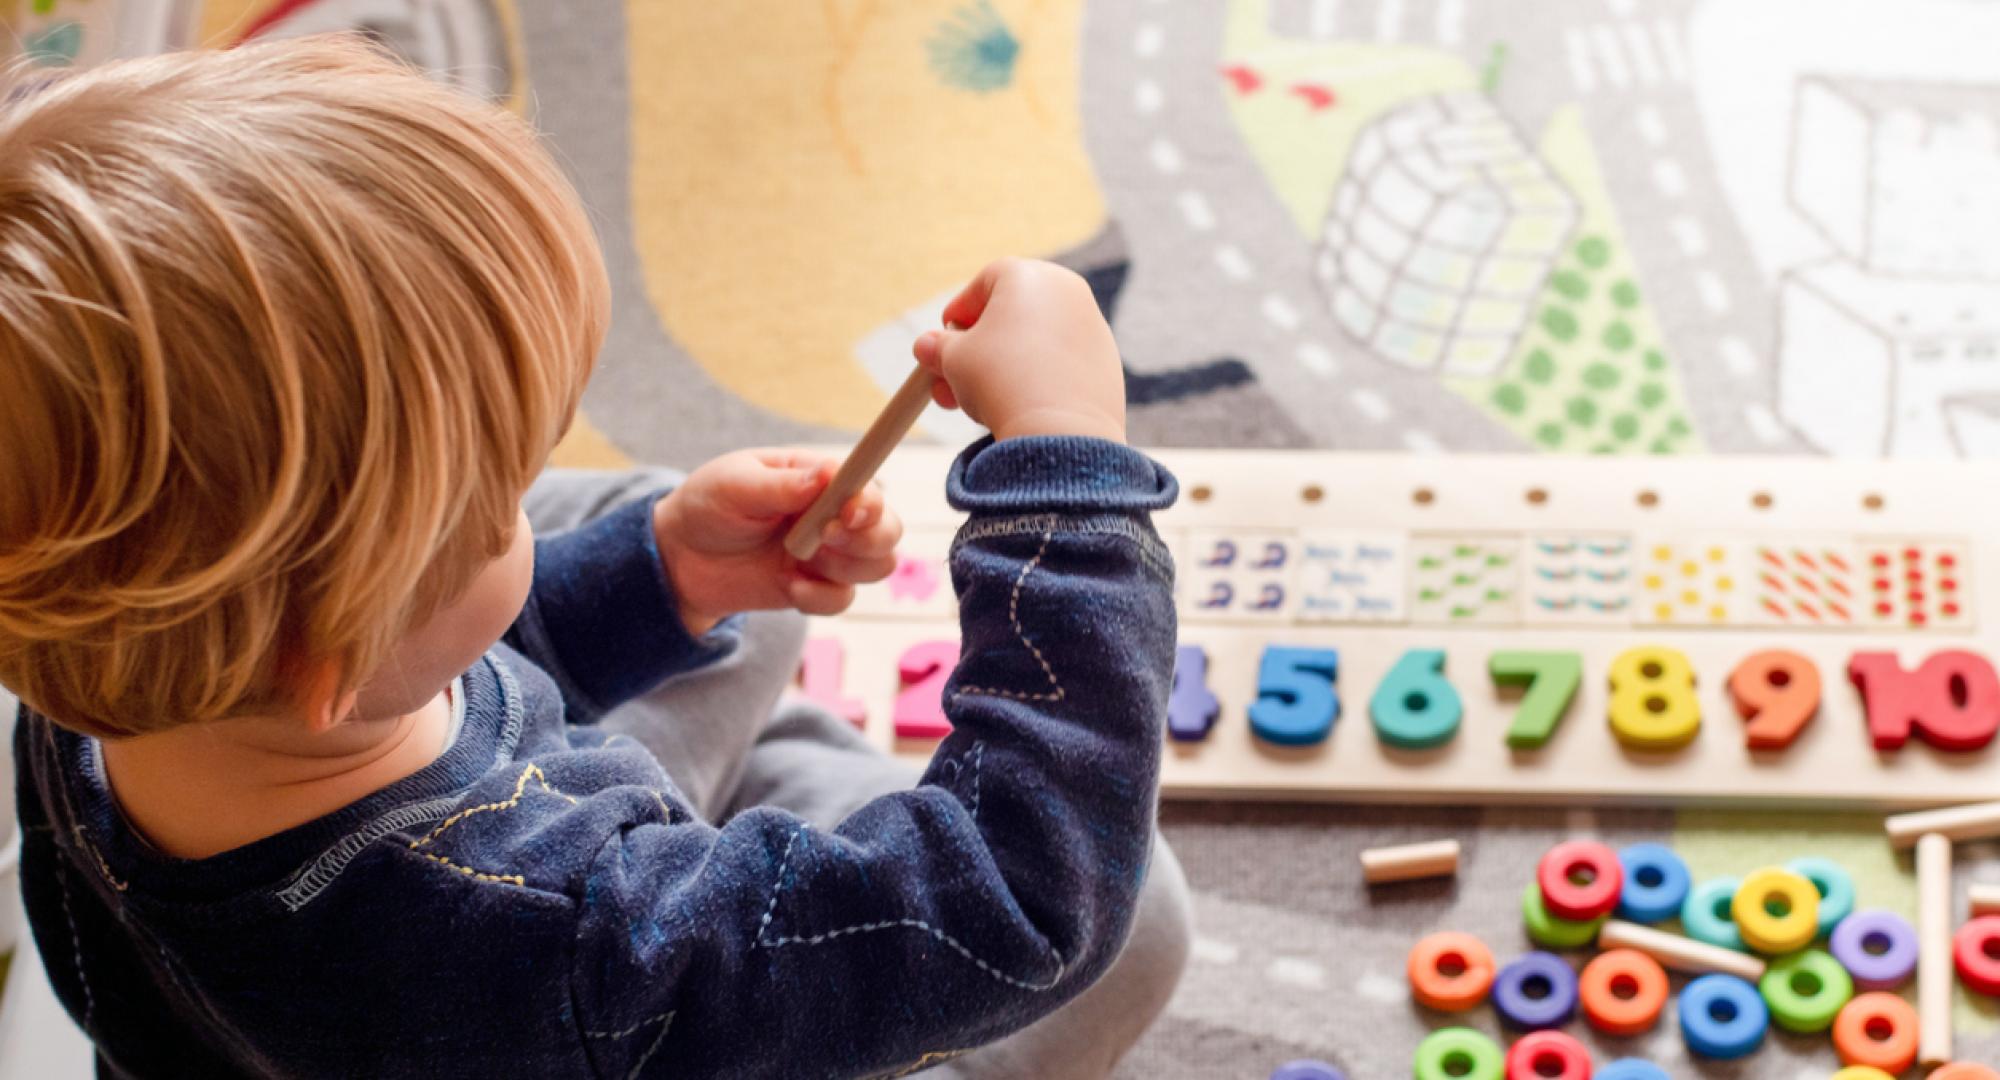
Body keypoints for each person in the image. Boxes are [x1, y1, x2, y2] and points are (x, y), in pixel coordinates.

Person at [0, 35, 1190, 1079]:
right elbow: (1022, 900)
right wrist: (1062, 470)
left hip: (360, 985)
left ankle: (725, 782)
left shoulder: (93, 673)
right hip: (568, 999)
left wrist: (658, 573)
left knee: (688, 555)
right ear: (340, 640)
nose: (528, 494)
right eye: (501, 493)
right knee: (1136, 918)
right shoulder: (571, 944)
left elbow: (400, 674)